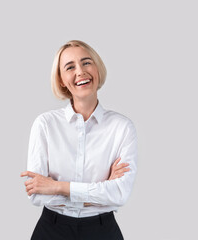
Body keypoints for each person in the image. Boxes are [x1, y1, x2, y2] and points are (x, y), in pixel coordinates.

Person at [20, 40, 138, 240]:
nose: (80, 71)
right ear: (61, 80)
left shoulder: (122, 128)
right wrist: (102, 190)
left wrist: (57, 186)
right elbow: (38, 194)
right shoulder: (45, 125)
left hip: (103, 231)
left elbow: (119, 194)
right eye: (70, 67)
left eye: (86, 62)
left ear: (97, 69)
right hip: (52, 230)